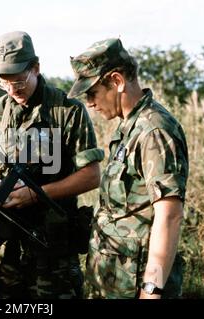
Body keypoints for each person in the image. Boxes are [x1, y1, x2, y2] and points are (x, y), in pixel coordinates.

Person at [0, 31, 104, 299]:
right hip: (7, 246)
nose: (13, 90)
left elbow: (92, 175)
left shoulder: (68, 111)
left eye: (19, 80)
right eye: (4, 82)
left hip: (52, 248)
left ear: (36, 67)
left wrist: (35, 194)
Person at [68, 38, 189, 299]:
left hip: (138, 286)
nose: (89, 103)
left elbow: (169, 216)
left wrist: (151, 288)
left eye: (92, 93)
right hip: (116, 281)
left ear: (117, 81)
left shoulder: (154, 131)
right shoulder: (129, 127)